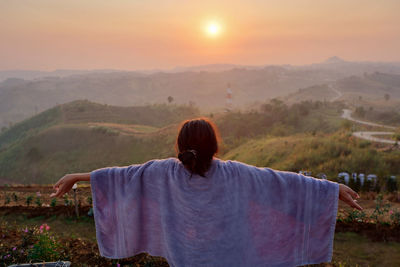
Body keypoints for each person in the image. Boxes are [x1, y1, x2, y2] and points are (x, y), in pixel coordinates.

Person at [51, 118, 362, 267]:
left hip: (186, 260)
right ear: (214, 146)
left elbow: (121, 177)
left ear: (180, 147)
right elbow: (283, 183)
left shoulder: (164, 172)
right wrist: (333, 189)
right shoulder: (236, 173)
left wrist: (76, 177)